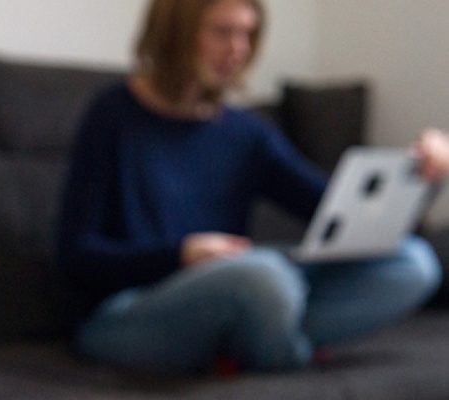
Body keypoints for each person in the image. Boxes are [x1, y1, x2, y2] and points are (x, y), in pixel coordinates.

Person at [56, 0, 449, 374]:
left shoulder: (245, 133)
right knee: (264, 275)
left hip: (241, 286)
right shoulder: (112, 115)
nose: (238, 49)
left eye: (247, 34)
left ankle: (253, 347)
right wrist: (181, 255)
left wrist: (420, 174)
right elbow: (78, 256)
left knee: (413, 262)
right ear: (176, 32)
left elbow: (338, 214)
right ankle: (284, 354)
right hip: (129, 312)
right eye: (222, 32)